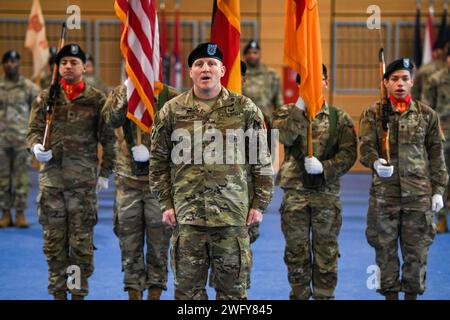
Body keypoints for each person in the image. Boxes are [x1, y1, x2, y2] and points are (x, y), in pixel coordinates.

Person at [149, 42, 274, 300]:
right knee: (188, 295)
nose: (205, 68)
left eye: (211, 64)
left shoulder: (245, 109)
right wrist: (166, 203)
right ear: (191, 72)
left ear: (222, 70)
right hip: (187, 219)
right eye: (199, 64)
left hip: (232, 218)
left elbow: (261, 160)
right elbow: (159, 162)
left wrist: (259, 204)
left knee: (232, 294)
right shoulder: (172, 111)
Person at [27, 43, 115, 300]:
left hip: (83, 185)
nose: (68, 66)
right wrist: (34, 147)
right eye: (63, 62)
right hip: (52, 183)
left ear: (84, 67)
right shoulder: (46, 98)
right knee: (54, 244)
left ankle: (78, 294)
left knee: (80, 245)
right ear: (58, 67)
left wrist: (104, 172)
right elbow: (32, 131)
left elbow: (108, 138)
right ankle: (58, 294)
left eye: (74, 62)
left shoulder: (97, 99)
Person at [359, 58, 448, 300]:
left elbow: (437, 156)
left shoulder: (427, 115)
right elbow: (365, 148)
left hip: (418, 197)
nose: (400, 83)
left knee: (416, 254)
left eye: (405, 79)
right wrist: (376, 162)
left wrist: (438, 190)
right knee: (385, 252)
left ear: (412, 82)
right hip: (384, 196)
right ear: (385, 82)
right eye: (395, 79)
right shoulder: (373, 113)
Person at [272, 64, 357, 300]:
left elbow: (349, 154)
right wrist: (300, 107)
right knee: (296, 252)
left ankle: (324, 296)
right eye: (307, 81)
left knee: (326, 252)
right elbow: (284, 136)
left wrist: (326, 167)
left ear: (326, 83)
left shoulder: (339, 118)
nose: (313, 85)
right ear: (299, 85)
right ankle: (298, 295)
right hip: (295, 194)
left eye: (318, 79)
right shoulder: (285, 113)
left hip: (326, 193)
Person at [102, 83, 178, 300]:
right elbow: (109, 120)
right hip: (128, 182)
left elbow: (183, 136)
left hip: (160, 183)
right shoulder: (121, 92)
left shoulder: (171, 96)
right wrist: (127, 92)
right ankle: (133, 294)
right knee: (129, 243)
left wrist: (154, 153)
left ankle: (155, 294)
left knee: (159, 244)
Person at [0, 50, 40, 228]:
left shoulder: (29, 87)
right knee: (3, 178)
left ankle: (21, 213)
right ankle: (6, 213)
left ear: (18, 64)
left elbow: (39, 111)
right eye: (7, 61)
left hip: (21, 141)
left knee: (21, 178)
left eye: (13, 61)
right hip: (1, 141)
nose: (10, 64)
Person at [423, 46, 450, 233]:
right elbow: (427, 110)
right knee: (442, 175)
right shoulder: (435, 80)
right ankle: (441, 217)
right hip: (444, 135)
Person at [242, 40, 283, 151]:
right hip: (244, 123)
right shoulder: (239, 75)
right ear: (244, 55)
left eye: (255, 52)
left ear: (260, 54)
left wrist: (279, 123)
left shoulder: (271, 74)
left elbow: (278, 101)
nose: (252, 55)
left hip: (266, 122)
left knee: (267, 157)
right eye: (249, 53)